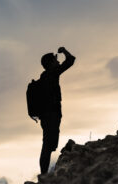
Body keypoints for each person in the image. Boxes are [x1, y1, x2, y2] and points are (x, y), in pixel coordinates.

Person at [37, 47, 75, 175]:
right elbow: (70, 60)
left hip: (48, 116)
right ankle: (43, 175)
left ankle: (44, 174)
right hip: (51, 116)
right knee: (47, 146)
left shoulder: (45, 76)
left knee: (48, 145)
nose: (58, 62)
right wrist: (64, 50)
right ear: (50, 64)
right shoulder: (51, 74)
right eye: (55, 60)